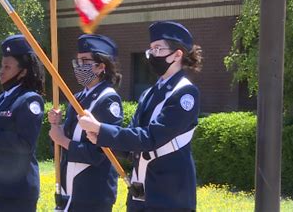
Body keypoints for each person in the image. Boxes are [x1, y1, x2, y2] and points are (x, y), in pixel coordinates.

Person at [78, 21, 203, 212]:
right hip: (141, 189)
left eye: (158, 49)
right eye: (151, 49)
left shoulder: (185, 94)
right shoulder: (149, 94)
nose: (153, 54)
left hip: (169, 193)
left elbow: (152, 137)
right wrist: (101, 138)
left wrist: (101, 129)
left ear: (177, 54)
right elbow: (133, 139)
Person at [48, 34, 124, 212]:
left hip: (92, 191)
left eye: (84, 61)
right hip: (71, 187)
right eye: (77, 61)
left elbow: (100, 152)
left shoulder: (109, 99)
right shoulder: (78, 97)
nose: (78, 66)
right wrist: (56, 125)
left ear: (100, 67)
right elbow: (65, 141)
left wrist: (63, 141)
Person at [0, 34, 45, 212]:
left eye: (7, 67)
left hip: (16, 192)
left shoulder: (30, 100)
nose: (1, 71)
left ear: (23, 71)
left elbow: (25, 144)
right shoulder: (1, 99)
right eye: (1, 65)